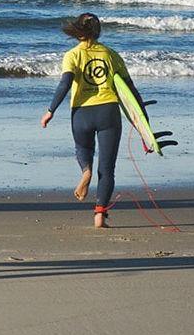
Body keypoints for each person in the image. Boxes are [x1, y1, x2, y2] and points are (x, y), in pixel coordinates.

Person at [39, 12, 146, 229]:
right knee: (107, 169)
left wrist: (50, 110)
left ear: (78, 31)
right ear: (98, 31)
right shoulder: (111, 54)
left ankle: (85, 170)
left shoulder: (72, 55)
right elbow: (131, 90)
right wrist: (144, 124)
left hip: (81, 113)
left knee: (83, 149)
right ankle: (99, 215)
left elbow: (65, 84)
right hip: (108, 111)